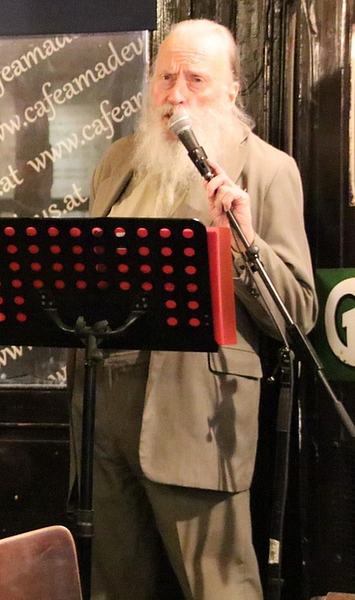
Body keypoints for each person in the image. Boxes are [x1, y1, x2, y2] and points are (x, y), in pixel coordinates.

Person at [73, 19, 318, 600]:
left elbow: (298, 314)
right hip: (106, 409)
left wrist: (243, 243)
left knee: (219, 588)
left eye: (196, 80)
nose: (176, 94)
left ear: (232, 89)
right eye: (165, 78)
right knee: (114, 587)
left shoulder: (266, 169)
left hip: (199, 414)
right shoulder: (119, 161)